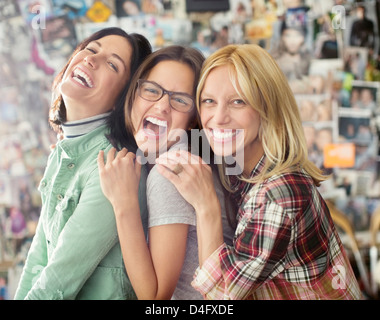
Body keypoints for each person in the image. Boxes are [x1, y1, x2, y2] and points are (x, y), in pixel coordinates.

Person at [156, 44, 362, 300]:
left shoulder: (279, 194)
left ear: (268, 108)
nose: (218, 117)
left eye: (237, 102)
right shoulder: (242, 168)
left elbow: (222, 297)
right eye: (209, 101)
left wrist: (205, 205)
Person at [14, 27, 152, 300]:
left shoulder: (115, 164)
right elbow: (38, 259)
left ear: (121, 100)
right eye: (91, 49)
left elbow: (57, 282)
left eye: (112, 64)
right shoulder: (62, 151)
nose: (91, 60)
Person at [97, 45, 235, 300]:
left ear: (193, 119)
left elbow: (155, 296)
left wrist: (124, 205)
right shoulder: (193, 152)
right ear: (133, 94)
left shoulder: (169, 172)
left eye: (180, 100)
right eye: (151, 90)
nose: (162, 106)